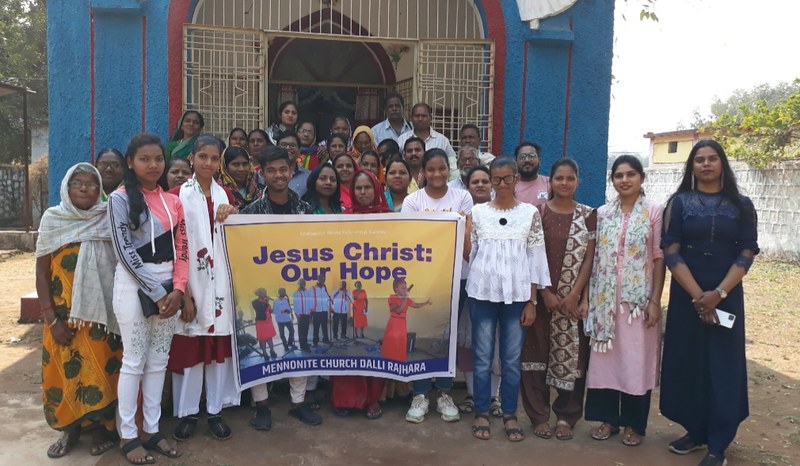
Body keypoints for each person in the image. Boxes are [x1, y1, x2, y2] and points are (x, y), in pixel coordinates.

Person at [660, 140, 759, 466]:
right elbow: (670, 249)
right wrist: (698, 296)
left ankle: (718, 443)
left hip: (727, 296)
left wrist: (718, 293)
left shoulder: (742, 204)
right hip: (687, 296)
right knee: (689, 363)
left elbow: (747, 251)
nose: (705, 164)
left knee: (722, 366)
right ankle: (696, 431)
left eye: (712, 158)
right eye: (699, 159)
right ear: (692, 166)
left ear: (722, 163)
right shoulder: (679, 203)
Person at [108, 133, 188, 463]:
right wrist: (158, 293)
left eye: (158, 159)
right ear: (131, 162)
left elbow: (182, 248)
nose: (153, 165)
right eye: (145, 159)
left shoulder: (173, 200)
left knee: (158, 363)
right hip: (135, 287)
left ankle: (152, 430)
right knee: (134, 361)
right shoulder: (120, 198)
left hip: (169, 289)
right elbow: (125, 253)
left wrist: (179, 291)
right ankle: (128, 434)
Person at [36, 162, 121, 459]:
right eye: (77, 183)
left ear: (100, 190)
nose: (85, 188)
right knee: (63, 372)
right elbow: (42, 273)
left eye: (91, 184)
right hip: (62, 316)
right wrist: (51, 317)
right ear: (66, 188)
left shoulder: (107, 218)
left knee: (103, 372)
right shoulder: (53, 219)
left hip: (102, 315)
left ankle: (102, 428)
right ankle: (69, 429)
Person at [465, 157, 549, 442]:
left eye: (506, 178)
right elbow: (472, 256)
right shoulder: (477, 213)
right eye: (495, 179)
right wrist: (465, 233)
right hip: (482, 293)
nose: (501, 184)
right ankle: (481, 412)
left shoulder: (529, 214)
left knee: (511, 359)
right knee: (482, 356)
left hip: (517, 297)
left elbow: (535, 257)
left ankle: (510, 414)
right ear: (489, 181)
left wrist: (533, 301)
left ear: (515, 179)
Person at [583, 155, 665, 447]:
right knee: (606, 362)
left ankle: (634, 424)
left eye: (631, 174)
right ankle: (608, 420)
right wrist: (588, 299)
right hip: (605, 302)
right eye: (619, 175)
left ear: (642, 177)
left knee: (635, 362)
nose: (625, 180)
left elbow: (658, 258)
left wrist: (655, 299)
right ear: (612, 180)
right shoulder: (603, 213)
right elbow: (592, 259)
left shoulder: (654, 211)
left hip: (637, 304)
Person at [240, 146, 322, 429]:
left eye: (283, 169)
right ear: (262, 174)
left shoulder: (306, 211)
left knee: (297, 342)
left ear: (291, 170)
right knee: (262, 345)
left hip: (293, 290)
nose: (278, 175)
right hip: (259, 289)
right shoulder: (248, 213)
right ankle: (261, 406)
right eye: (271, 170)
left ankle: (298, 403)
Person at [168, 136, 240, 443]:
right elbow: (172, 247)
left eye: (214, 157)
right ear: (192, 158)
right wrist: (182, 292)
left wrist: (233, 214)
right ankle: (187, 414)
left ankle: (214, 411)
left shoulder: (228, 196)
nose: (208, 163)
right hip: (190, 286)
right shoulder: (176, 196)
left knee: (217, 354)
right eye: (202, 156)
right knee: (192, 352)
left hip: (221, 287)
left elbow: (237, 240)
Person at [520, 159, 595, 442]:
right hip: (540, 299)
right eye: (559, 178)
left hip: (572, 302)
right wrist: (544, 293)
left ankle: (566, 416)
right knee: (535, 356)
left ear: (577, 182)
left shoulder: (588, 215)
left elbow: (590, 258)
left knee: (573, 358)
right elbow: (529, 256)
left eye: (570, 178)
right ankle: (539, 416)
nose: (564, 183)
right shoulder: (536, 214)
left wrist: (575, 295)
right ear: (549, 181)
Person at [401, 148, 473, 424]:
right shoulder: (412, 201)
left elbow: (467, 237)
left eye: (442, 168)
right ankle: (420, 393)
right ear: (423, 172)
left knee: (448, 334)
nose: (437, 174)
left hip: (458, 277)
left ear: (449, 170)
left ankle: (444, 393)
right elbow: (410, 242)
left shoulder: (462, 196)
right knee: (422, 336)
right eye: (431, 169)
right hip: (423, 280)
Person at [455, 164, 497, 417]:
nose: (480, 185)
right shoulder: (460, 216)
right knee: (470, 342)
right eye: (475, 182)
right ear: (467, 188)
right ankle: (472, 394)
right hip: (469, 284)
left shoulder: (502, 212)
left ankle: (494, 397)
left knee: (495, 343)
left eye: (485, 181)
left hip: (498, 290)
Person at [397, 103, 458, 181]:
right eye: (417, 116)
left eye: (424, 116)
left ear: (430, 117)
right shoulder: (402, 140)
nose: (420, 119)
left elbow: (453, 169)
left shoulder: (442, 141)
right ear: (411, 118)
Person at [381, 278, 432, 363]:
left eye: (405, 287)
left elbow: (416, 305)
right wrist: (405, 298)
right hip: (394, 324)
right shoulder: (392, 297)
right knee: (392, 344)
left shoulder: (406, 299)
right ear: (396, 288)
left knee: (400, 344)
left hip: (402, 324)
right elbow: (398, 311)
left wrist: (426, 303)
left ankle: (399, 362)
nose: (405, 289)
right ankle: (389, 363)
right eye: (402, 288)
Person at [514, 141, 550, 206]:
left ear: (539, 161)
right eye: (522, 157)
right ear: (516, 162)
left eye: (532, 156)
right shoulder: (510, 184)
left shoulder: (549, 183)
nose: (527, 160)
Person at [276, 131, 310, 197]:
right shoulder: (269, 175)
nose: (288, 148)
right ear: (276, 148)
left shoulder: (308, 177)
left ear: (299, 150)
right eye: (283, 145)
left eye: (292, 145)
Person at [252, 288, 278, 360]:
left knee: (269, 338)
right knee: (263, 339)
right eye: (263, 293)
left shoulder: (266, 302)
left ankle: (272, 351)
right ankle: (264, 353)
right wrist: (266, 302)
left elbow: (269, 310)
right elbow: (261, 310)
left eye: (265, 292)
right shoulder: (254, 302)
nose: (265, 294)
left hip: (268, 321)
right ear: (259, 294)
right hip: (261, 322)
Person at [293, 279, 314, 351]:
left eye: (304, 283)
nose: (303, 284)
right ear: (299, 284)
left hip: (307, 314)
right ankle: (302, 345)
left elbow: (310, 302)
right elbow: (295, 304)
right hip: (300, 315)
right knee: (301, 330)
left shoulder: (307, 292)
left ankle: (305, 343)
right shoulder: (296, 293)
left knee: (306, 329)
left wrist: (311, 311)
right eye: (302, 283)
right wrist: (297, 314)